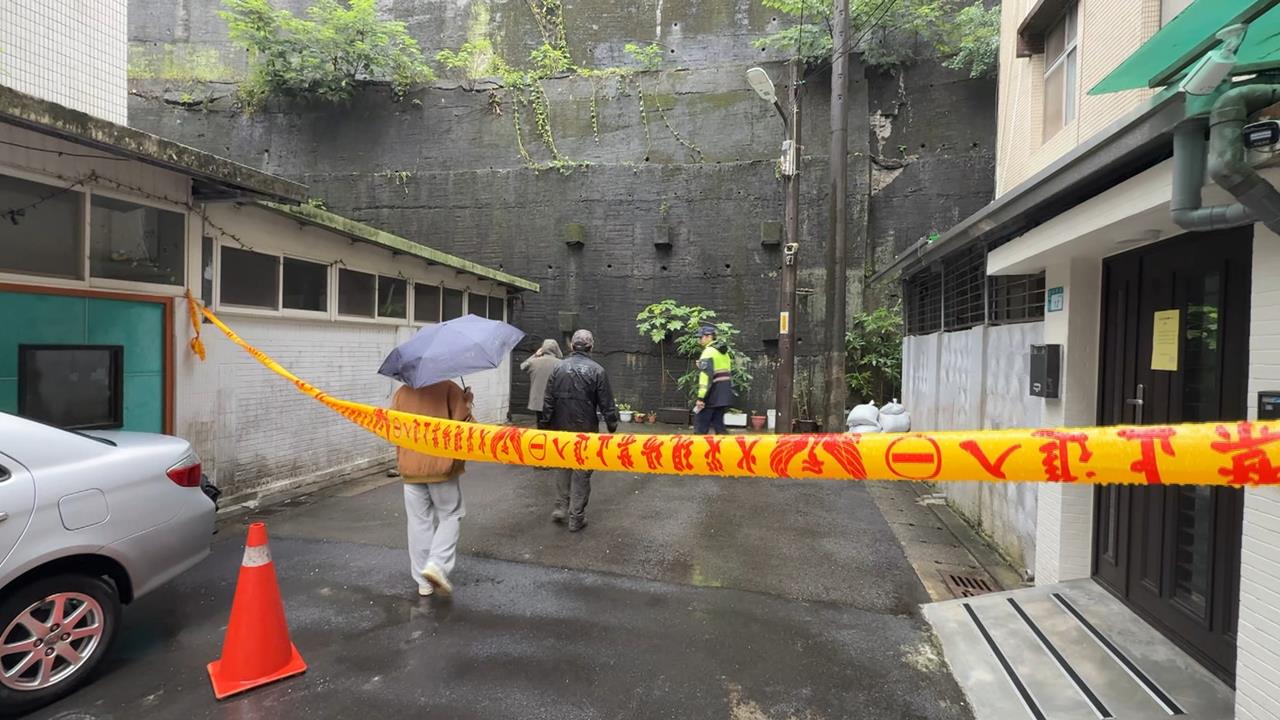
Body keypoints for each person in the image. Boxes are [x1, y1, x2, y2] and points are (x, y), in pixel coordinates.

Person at [391, 379, 473, 598]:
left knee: (419, 523)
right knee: (451, 514)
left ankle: (422, 582)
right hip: (441, 466)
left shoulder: (401, 393)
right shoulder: (449, 389)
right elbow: (465, 428)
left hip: (410, 468)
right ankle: (437, 565)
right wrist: (467, 401)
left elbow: (393, 429)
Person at [540, 329, 619, 532]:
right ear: (591, 346)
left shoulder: (558, 369)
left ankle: (560, 506)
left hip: (561, 429)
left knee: (563, 466)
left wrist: (545, 427)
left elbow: (548, 401)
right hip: (586, 430)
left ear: (572, 346)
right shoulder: (598, 371)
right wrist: (612, 425)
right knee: (582, 472)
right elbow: (607, 404)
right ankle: (576, 517)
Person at [693, 325, 735, 435]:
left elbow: (706, 377)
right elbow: (723, 372)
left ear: (709, 337)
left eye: (700, 337)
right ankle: (726, 450)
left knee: (700, 425)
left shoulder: (708, 352)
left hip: (712, 394)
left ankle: (698, 450)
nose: (699, 340)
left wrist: (701, 398)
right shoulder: (724, 352)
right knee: (719, 425)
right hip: (723, 393)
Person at [520, 338, 563, 425]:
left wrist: (535, 355)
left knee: (540, 423)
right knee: (553, 425)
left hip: (538, 402)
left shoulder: (533, 362)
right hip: (554, 401)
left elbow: (522, 366)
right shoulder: (561, 364)